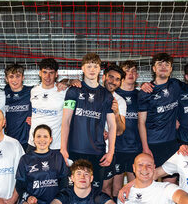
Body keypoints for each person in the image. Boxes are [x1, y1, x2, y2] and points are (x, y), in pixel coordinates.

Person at [60, 53, 116, 188]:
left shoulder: (107, 95)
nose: (92, 69)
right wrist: (63, 148)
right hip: (75, 150)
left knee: (95, 194)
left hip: (97, 153)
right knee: (73, 191)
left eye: (95, 66)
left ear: (99, 70)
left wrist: (111, 152)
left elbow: (112, 125)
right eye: (89, 66)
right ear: (82, 69)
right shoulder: (73, 91)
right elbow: (66, 121)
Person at [107, 60, 142, 195]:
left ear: (137, 75)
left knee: (135, 188)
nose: (131, 74)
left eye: (134, 71)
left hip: (136, 148)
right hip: (117, 148)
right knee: (116, 189)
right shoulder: (113, 94)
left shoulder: (141, 95)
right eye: (127, 70)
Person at [28, 57, 67, 151]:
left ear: (56, 74)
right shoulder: (33, 91)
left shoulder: (64, 92)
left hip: (55, 145)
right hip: (33, 143)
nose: (47, 76)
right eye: (45, 72)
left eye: (51, 73)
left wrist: (70, 81)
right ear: (40, 73)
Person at [100, 63, 127, 193]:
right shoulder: (92, 93)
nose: (113, 81)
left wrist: (116, 113)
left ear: (120, 82)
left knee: (106, 188)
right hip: (88, 148)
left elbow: (120, 131)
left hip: (107, 152)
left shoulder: (120, 101)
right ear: (104, 77)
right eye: (111, 77)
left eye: (117, 79)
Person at [3, 63, 33, 147]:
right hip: (10, 141)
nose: (14, 80)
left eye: (18, 76)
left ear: (23, 77)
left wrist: (67, 81)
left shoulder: (32, 92)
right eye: (11, 77)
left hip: (28, 142)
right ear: (6, 79)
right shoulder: (3, 93)